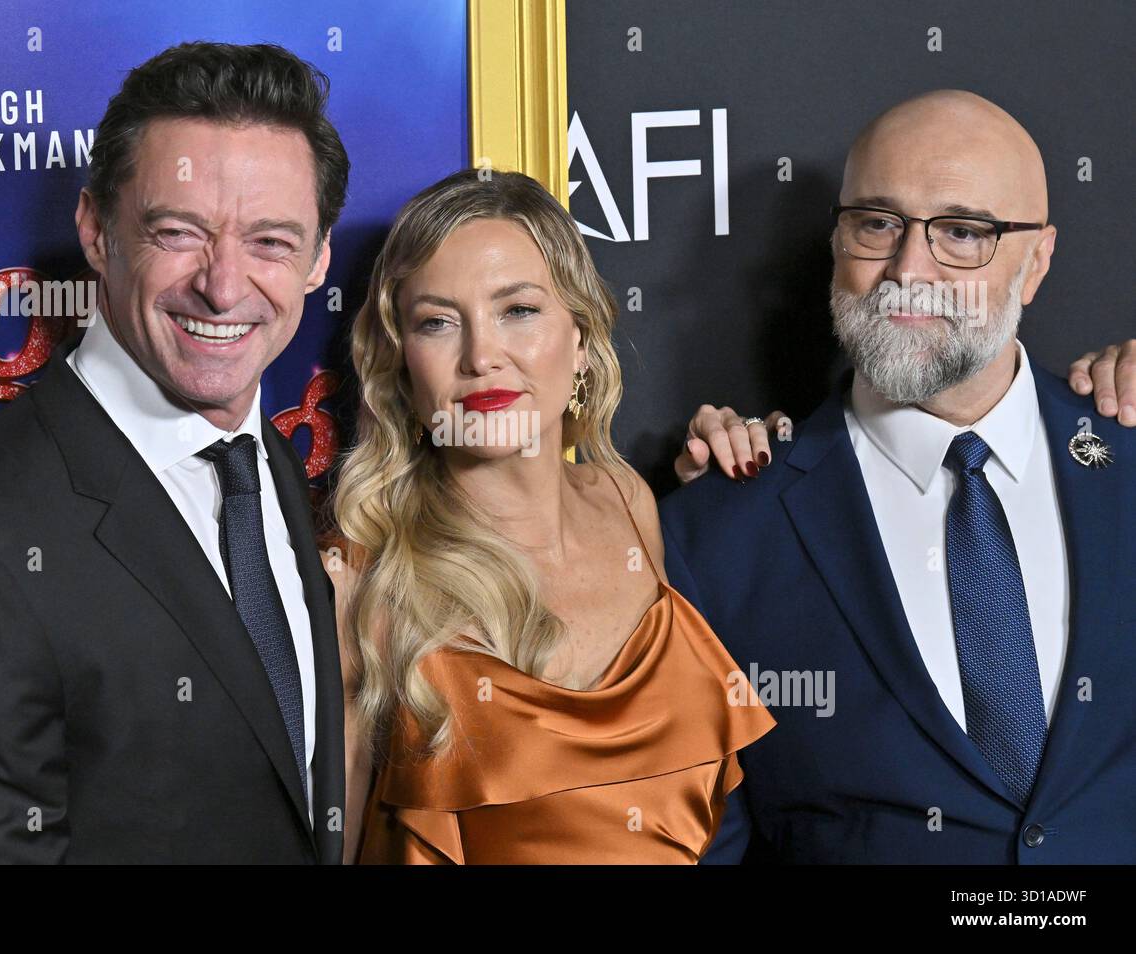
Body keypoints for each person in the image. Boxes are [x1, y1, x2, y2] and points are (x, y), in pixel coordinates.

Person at [0, 42, 348, 863]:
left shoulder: (267, 468)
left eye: (270, 241)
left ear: (319, 259)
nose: (223, 288)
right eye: (180, 233)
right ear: (95, 231)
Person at [660, 90, 1136, 862]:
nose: (910, 270)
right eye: (877, 224)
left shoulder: (1125, 462)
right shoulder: (715, 535)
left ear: (1037, 260)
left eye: (962, 232)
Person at [327, 169, 775, 864]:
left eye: (518, 311)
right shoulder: (364, 574)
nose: (482, 357)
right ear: (401, 365)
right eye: (438, 322)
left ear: (582, 341)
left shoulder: (631, 504)